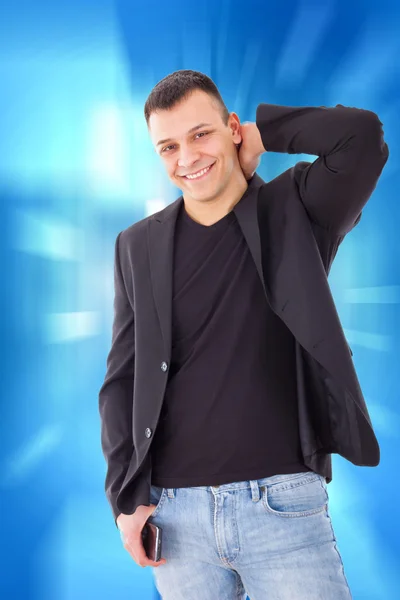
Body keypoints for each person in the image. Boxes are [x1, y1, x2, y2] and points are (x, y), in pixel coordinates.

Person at [98, 69, 389, 599]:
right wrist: (125, 496)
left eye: (200, 134)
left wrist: (262, 134)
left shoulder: (296, 208)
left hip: (282, 506)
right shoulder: (136, 245)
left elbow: (362, 136)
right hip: (177, 522)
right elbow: (122, 378)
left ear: (232, 128)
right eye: (168, 146)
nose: (186, 158)